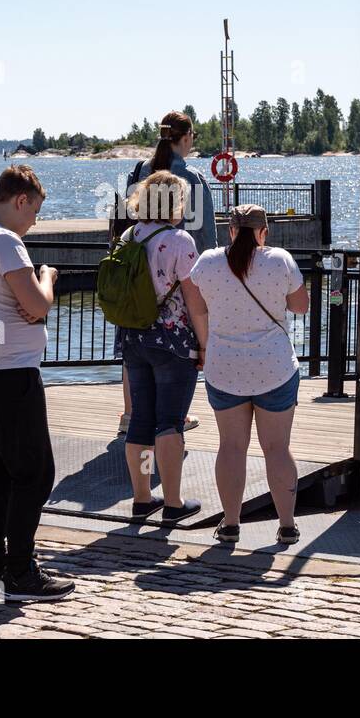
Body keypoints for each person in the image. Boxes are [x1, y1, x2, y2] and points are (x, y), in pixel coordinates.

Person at [0, 165, 74, 601]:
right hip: (11, 370)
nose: (35, 221)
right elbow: (37, 305)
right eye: (35, 210)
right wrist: (47, 279)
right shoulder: (6, 241)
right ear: (20, 200)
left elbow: (17, 306)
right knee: (36, 473)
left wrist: (27, 305)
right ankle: (21, 570)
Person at [184, 204, 310, 546]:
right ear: (263, 231)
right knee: (277, 449)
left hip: (224, 368)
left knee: (231, 447)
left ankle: (230, 524)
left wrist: (207, 342)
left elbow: (196, 305)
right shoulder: (279, 260)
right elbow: (301, 306)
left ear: (231, 231)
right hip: (276, 369)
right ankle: (286, 525)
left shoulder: (207, 263)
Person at [117, 110, 216, 437]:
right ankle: (174, 418)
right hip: (177, 285)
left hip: (135, 283)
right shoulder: (193, 179)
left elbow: (127, 223)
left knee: (137, 350)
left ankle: (131, 415)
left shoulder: (138, 173)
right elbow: (207, 241)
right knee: (175, 354)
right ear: (186, 137)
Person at [115, 171, 205, 524]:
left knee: (140, 420)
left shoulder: (127, 237)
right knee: (169, 423)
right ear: (174, 202)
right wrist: (205, 344)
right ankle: (172, 501)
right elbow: (195, 302)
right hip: (172, 343)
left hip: (133, 338)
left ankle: (142, 498)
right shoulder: (180, 241)